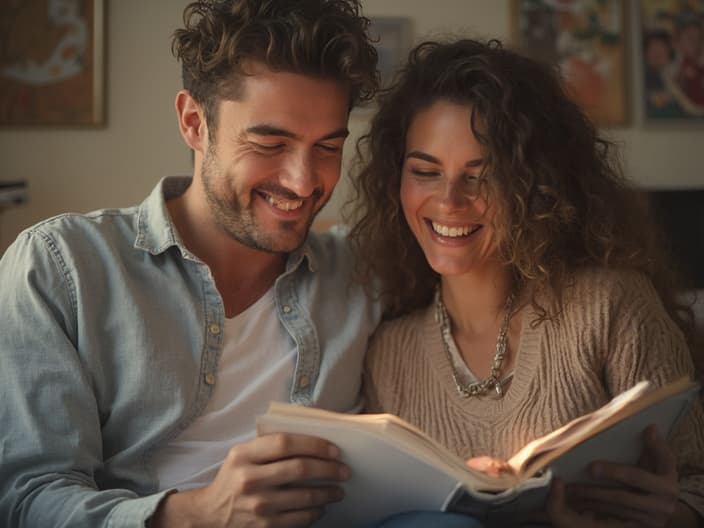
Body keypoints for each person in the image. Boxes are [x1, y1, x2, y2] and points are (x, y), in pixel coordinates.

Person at [0, 1, 382, 527]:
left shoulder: (361, 274)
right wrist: (198, 514)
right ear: (193, 122)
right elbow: (26, 498)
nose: (303, 180)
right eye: (270, 143)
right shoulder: (61, 268)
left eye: (327, 148)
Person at [349, 38, 704, 527]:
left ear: (534, 186)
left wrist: (672, 516)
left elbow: (694, 484)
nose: (449, 200)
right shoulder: (389, 355)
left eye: (482, 174)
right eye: (425, 171)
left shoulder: (610, 305)